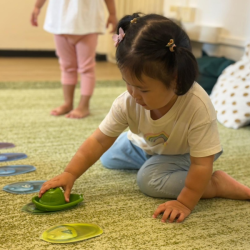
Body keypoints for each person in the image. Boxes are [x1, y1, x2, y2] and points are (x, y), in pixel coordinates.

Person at [39, 13, 250, 223]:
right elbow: (98, 140)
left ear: (175, 81)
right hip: (149, 144)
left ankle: (216, 184)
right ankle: (153, 160)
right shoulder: (128, 101)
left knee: (149, 179)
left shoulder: (198, 106)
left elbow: (201, 164)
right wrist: (70, 173)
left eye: (143, 89)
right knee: (107, 156)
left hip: (189, 153)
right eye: (127, 82)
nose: (133, 93)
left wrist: (184, 202)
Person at [31, 0, 117, 118]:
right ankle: (68, 103)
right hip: (60, 22)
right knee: (67, 67)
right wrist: (37, 6)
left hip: (88, 23)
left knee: (86, 68)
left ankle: (84, 105)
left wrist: (112, 14)